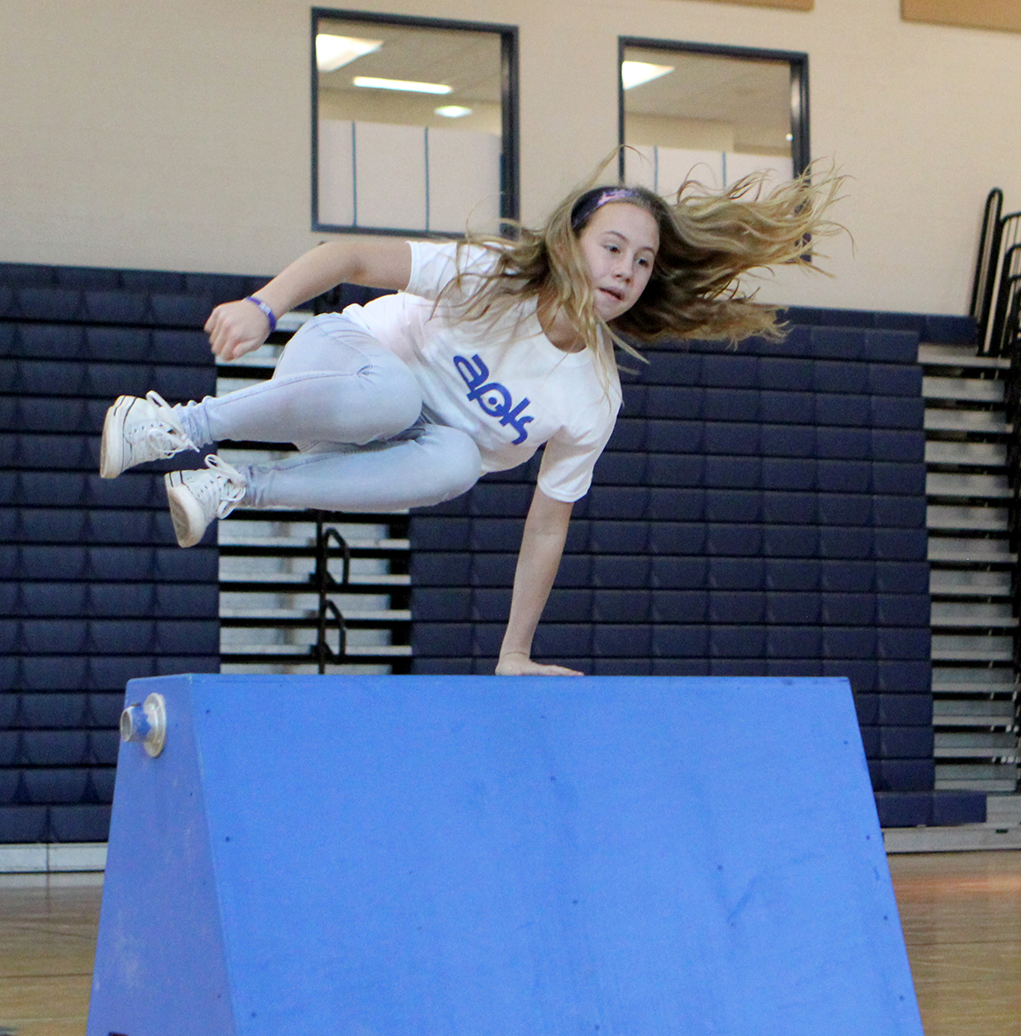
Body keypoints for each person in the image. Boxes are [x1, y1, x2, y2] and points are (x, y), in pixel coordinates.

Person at [98, 168, 840, 676]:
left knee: (457, 461)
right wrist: (262, 307)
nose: (625, 270)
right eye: (612, 247)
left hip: (381, 450)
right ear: (569, 243)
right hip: (338, 369)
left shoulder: (592, 397)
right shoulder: (491, 275)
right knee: (391, 395)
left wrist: (515, 651)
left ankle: (231, 487)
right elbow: (349, 252)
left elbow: (547, 524)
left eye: (642, 262)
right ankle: (175, 425)